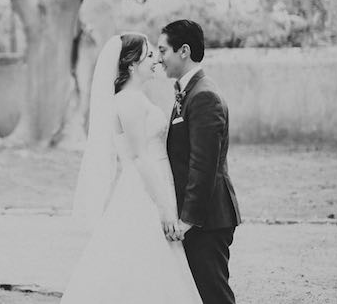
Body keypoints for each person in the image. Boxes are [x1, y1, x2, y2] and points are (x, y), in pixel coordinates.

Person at [62, 33, 202, 304]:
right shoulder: (129, 101)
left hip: (153, 185)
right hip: (144, 192)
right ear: (131, 65)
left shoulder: (137, 98)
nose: (156, 60)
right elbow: (139, 158)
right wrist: (163, 208)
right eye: (149, 56)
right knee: (144, 263)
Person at [156, 20, 241, 304]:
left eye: (162, 50)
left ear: (183, 51)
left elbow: (204, 165)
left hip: (208, 220)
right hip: (200, 217)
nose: (158, 58)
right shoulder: (189, 91)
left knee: (214, 296)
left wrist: (188, 219)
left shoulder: (203, 96)